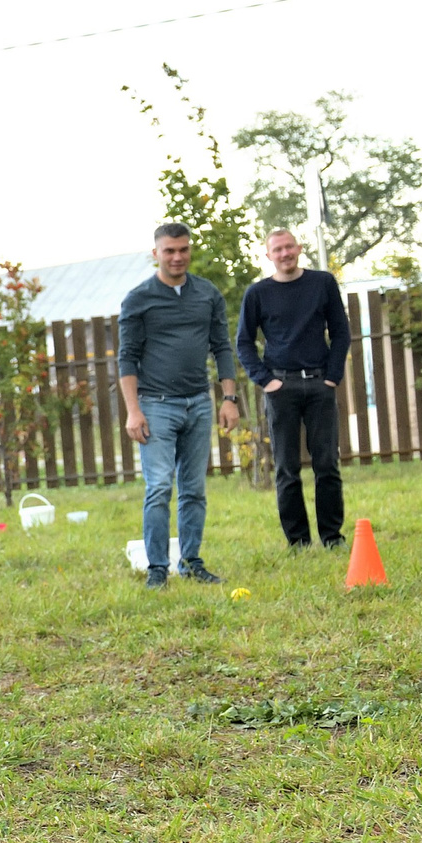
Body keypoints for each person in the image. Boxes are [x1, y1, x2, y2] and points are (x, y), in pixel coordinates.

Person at [118, 221, 243, 587]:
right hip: (156, 405)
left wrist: (229, 398)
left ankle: (191, 561)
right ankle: (158, 568)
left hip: (199, 403)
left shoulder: (207, 294)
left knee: (194, 489)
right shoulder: (139, 298)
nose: (177, 257)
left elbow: (221, 346)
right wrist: (133, 410)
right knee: (158, 487)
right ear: (155, 253)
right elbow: (127, 358)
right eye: (169, 250)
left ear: (190, 250)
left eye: (183, 249)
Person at [234, 229, 351, 550]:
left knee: (327, 464)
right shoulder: (257, 293)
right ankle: (298, 541)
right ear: (268, 255)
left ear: (298, 249)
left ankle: (332, 536)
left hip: (319, 383)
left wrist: (332, 376)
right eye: (277, 249)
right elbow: (244, 342)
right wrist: (266, 381)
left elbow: (341, 332)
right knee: (286, 467)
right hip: (280, 385)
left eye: (289, 247)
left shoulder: (323, 283)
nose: (285, 253)